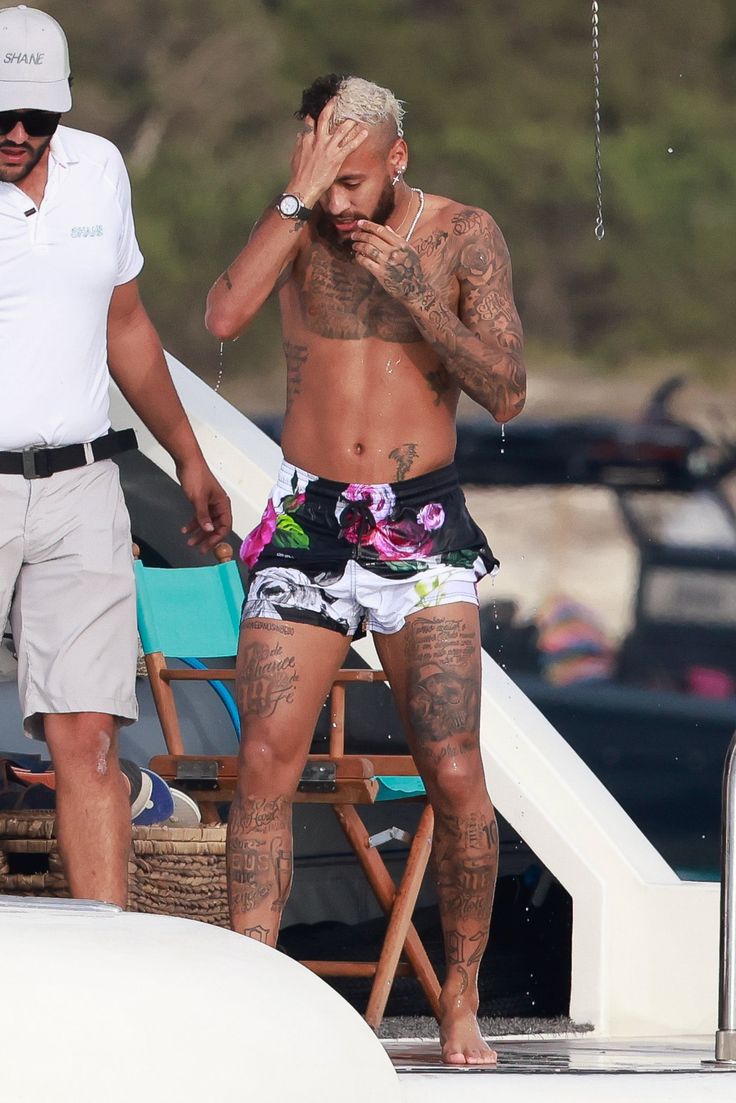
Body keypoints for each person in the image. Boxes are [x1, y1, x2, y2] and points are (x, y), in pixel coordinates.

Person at [205, 73, 524, 1064]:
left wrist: (419, 297)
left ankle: (459, 998)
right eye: (321, 178)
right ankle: (255, 991)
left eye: (353, 180)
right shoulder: (299, 224)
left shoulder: (463, 232)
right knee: (263, 760)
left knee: (455, 766)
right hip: (309, 518)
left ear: (397, 160)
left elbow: (507, 391)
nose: (340, 204)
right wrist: (294, 198)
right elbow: (221, 318)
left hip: (421, 525)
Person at [0, 7, 231, 907]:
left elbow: (125, 323)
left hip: (84, 486)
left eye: (37, 117)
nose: (18, 134)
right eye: (1, 116)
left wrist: (189, 456)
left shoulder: (100, 169)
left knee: (89, 741)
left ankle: (110, 971)